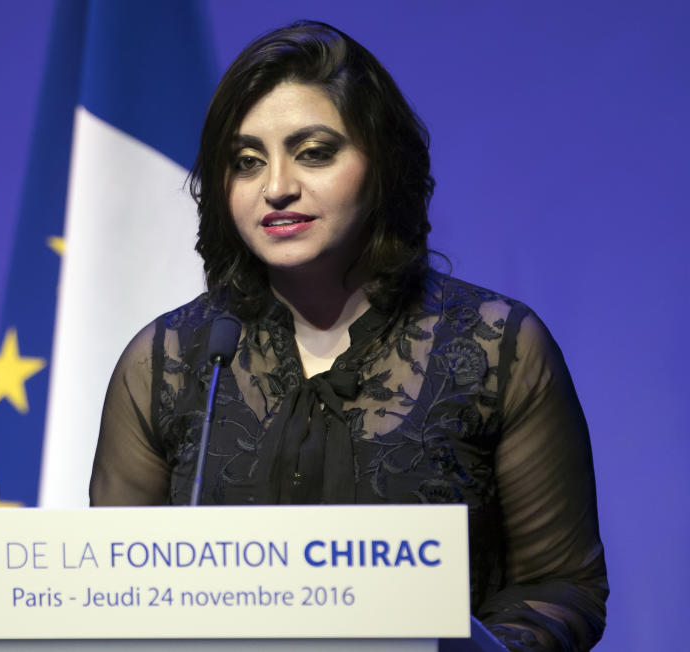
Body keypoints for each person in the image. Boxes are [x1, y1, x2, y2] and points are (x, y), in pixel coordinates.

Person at [90, 20, 607, 651]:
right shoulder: (167, 361)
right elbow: (116, 593)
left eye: (314, 152)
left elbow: (562, 585)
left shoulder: (500, 349)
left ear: (381, 166)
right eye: (247, 162)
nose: (276, 186)